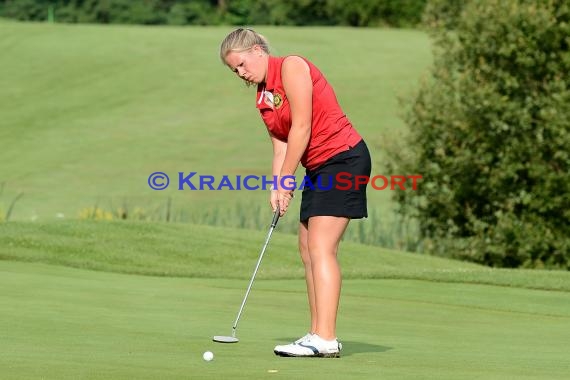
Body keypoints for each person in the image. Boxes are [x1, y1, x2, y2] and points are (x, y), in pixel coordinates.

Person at [219, 27, 371, 358]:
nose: (241, 74)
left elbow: (302, 124)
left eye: (242, 65)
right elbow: (281, 145)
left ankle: (326, 339)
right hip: (319, 167)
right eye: (235, 71)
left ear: (258, 50)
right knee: (306, 248)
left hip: (344, 157)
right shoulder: (263, 96)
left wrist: (288, 179)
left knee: (321, 246)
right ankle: (316, 333)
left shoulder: (292, 66)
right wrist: (278, 186)